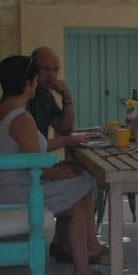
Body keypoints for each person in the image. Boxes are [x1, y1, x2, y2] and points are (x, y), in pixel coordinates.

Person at [0, 55, 110, 275]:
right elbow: (38, 168)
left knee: (77, 196)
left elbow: (31, 148)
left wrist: (65, 143)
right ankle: (85, 262)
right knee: (82, 184)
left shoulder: (1, 112)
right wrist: (65, 172)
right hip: (15, 194)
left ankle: (81, 265)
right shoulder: (21, 118)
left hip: (0, 189)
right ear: (28, 83)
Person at [26, 46, 90, 263]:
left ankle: (63, 244)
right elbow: (32, 147)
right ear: (33, 70)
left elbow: (64, 128)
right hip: (24, 171)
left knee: (76, 169)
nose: (52, 75)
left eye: (55, 70)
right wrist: (64, 141)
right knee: (80, 180)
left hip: (33, 164)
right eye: (45, 69)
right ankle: (86, 247)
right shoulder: (24, 100)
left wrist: (67, 98)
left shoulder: (45, 95)